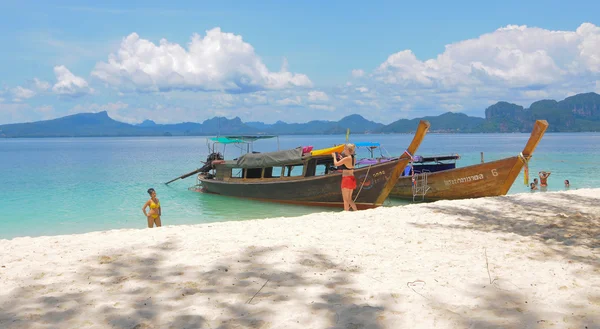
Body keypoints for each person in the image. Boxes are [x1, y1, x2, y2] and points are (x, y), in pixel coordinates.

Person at [332, 144, 358, 211]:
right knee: (349, 199)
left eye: (344, 149)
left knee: (345, 200)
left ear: (347, 150)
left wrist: (334, 156)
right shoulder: (353, 158)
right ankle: (356, 211)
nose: (344, 151)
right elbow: (347, 164)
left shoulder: (346, 158)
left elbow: (336, 164)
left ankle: (346, 212)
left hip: (346, 179)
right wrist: (341, 158)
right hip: (352, 178)